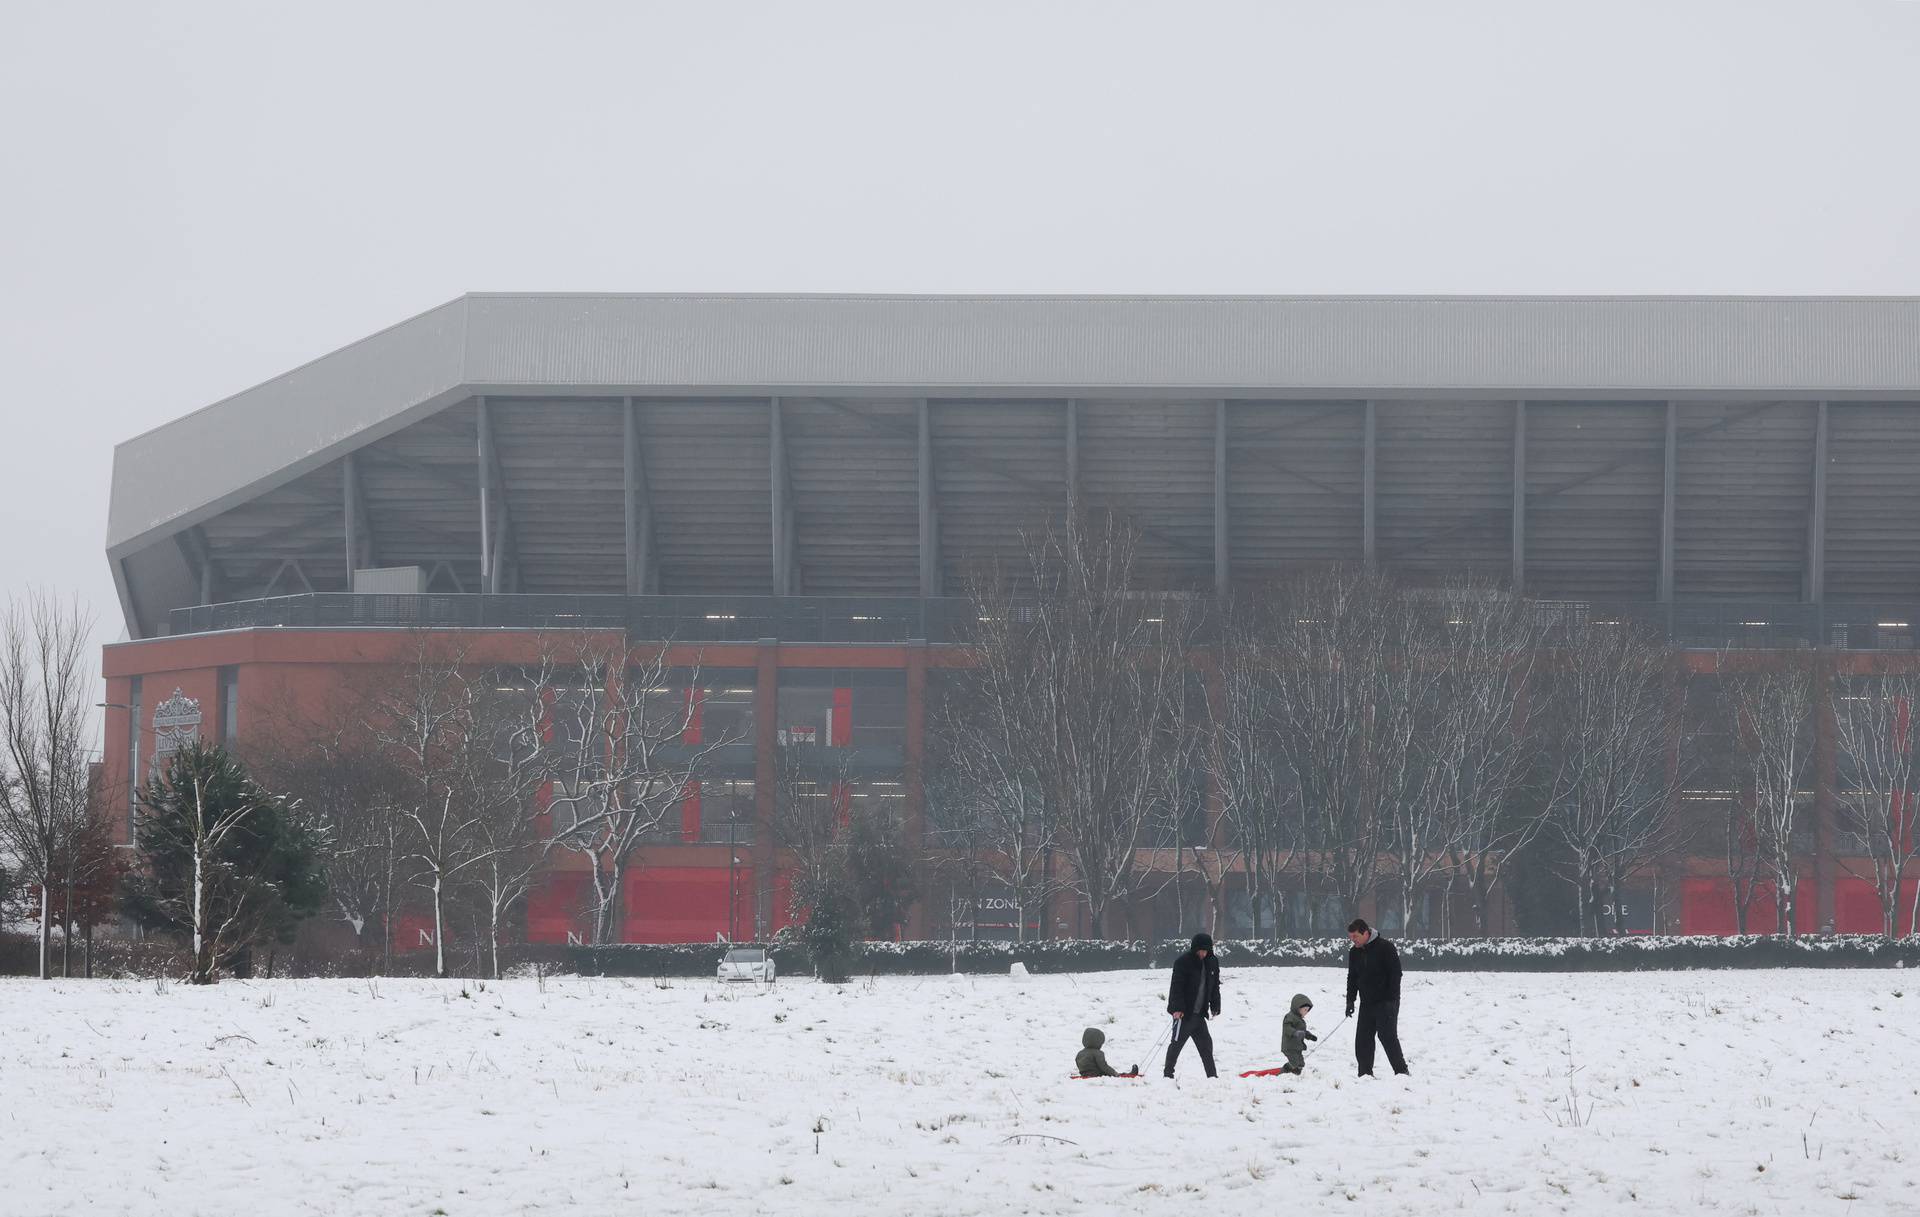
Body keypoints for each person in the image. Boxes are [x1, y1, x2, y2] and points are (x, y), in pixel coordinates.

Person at [1345, 918, 1409, 1077]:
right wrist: (1350, 1000)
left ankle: (1402, 1072)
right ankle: (1365, 1075)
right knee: (1362, 1039)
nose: (1353, 941)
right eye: (1351, 938)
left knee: (1387, 1036)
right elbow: (1352, 977)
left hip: (1386, 1001)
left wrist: (1391, 999)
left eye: (1355, 937)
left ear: (1365, 933)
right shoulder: (1354, 952)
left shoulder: (1385, 947)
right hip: (1366, 1002)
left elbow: (1396, 974)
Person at [1164, 932, 1222, 1078]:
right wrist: (1177, 1009)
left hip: (1199, 1015)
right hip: (1184, 1014)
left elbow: (1214, 986)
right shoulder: (1183, 962)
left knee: (1206, 1046)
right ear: (1195, 948)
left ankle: (1212, 1077)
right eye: (1200, 950)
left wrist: (1215, 1005)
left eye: (1206, 950)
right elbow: (1176, 987)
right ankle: (1167, 1075)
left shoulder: (1212, 962)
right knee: (1176, 1044)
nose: (1203, 953)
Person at [1279, 993, 1317, 1075]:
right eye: (1305, 1010)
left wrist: (1310, 1036)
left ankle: (1295, 1073)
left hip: (1297, 1047)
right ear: (1297, 1007)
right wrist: (1295, 1033)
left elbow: (1303, 1032)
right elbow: (1287, 1028)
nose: (1306, 1012)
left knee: (1301, 1063)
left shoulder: (1300, 1020)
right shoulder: (1289, 1017)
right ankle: (1283, 1071)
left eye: (1308, 1010)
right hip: (1289, 1046)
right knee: (1295, 1062)